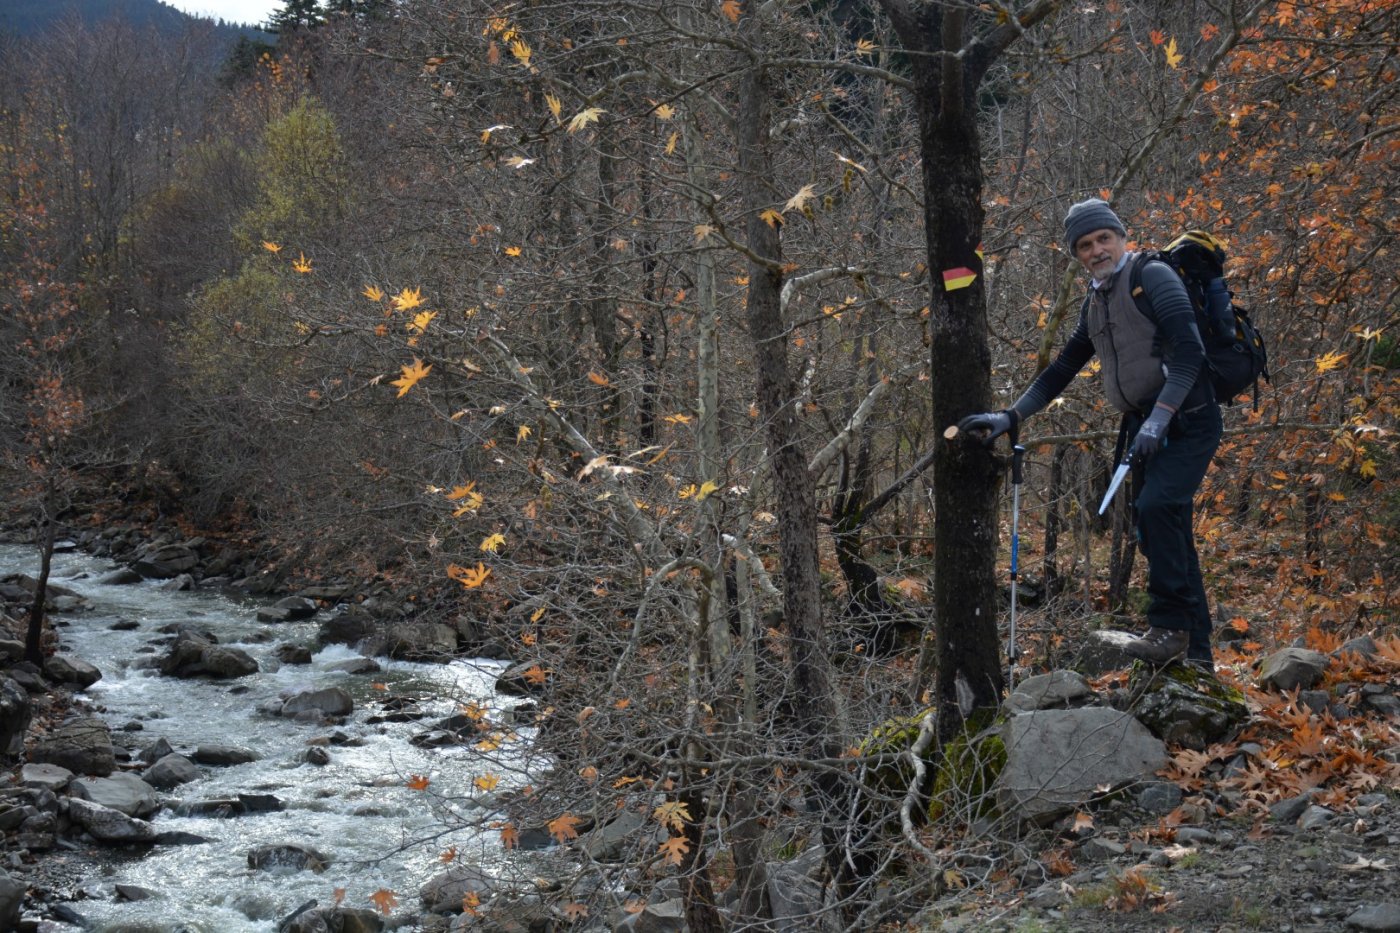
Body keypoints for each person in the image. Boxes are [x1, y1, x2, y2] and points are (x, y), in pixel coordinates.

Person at [960, 198, 1223, 669]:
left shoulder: (1152, 277)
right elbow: (1061, 369)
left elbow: (1190, 354)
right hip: (1146, 423)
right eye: (1085, 244)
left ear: (1121, 237)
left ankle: (1168, 628)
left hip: (1190, 416)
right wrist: (1010, 416)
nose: (1097, 249)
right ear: (1077, 254)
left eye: (1103, 238)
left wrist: (1161, 418)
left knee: (1157, 508)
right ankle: (1198, 654)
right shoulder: (1095, 301)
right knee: (1167, 529)